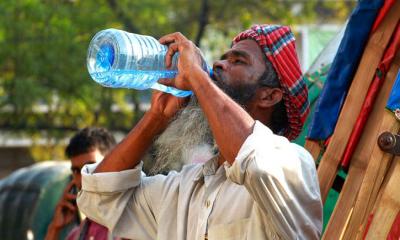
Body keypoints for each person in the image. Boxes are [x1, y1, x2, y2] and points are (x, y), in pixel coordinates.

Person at [77, 24, 323, 239]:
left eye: (238, 61)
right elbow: (99, 198)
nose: (218, 64)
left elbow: (252, 159)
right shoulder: (185, 187)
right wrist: (156, 118)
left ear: (269, 96)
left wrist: (196, 76)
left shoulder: (293, 164)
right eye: (223, 58)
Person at [45, 127, 119, 240]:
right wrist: (54, 228)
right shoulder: (79, 234)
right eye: (76, 171)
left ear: (114, 164)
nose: (82, 179)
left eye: (91, 167)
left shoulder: (136, 225)